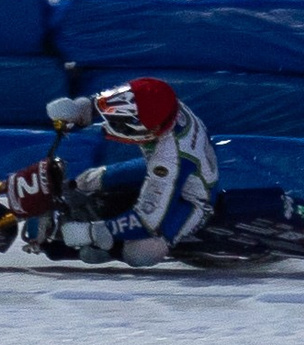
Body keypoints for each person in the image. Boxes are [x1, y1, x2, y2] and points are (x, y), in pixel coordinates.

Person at [27, 79, 218, 267]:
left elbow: (148, 220)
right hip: (169, 166)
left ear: (148, 131)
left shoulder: (169, 158)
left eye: (120, 124)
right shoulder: (151, 99)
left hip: (192, 198)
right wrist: (79, 109)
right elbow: (110, 103)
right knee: (89, 180)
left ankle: (112, 251)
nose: (111, 126)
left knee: (143, 252)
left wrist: (93, 232)